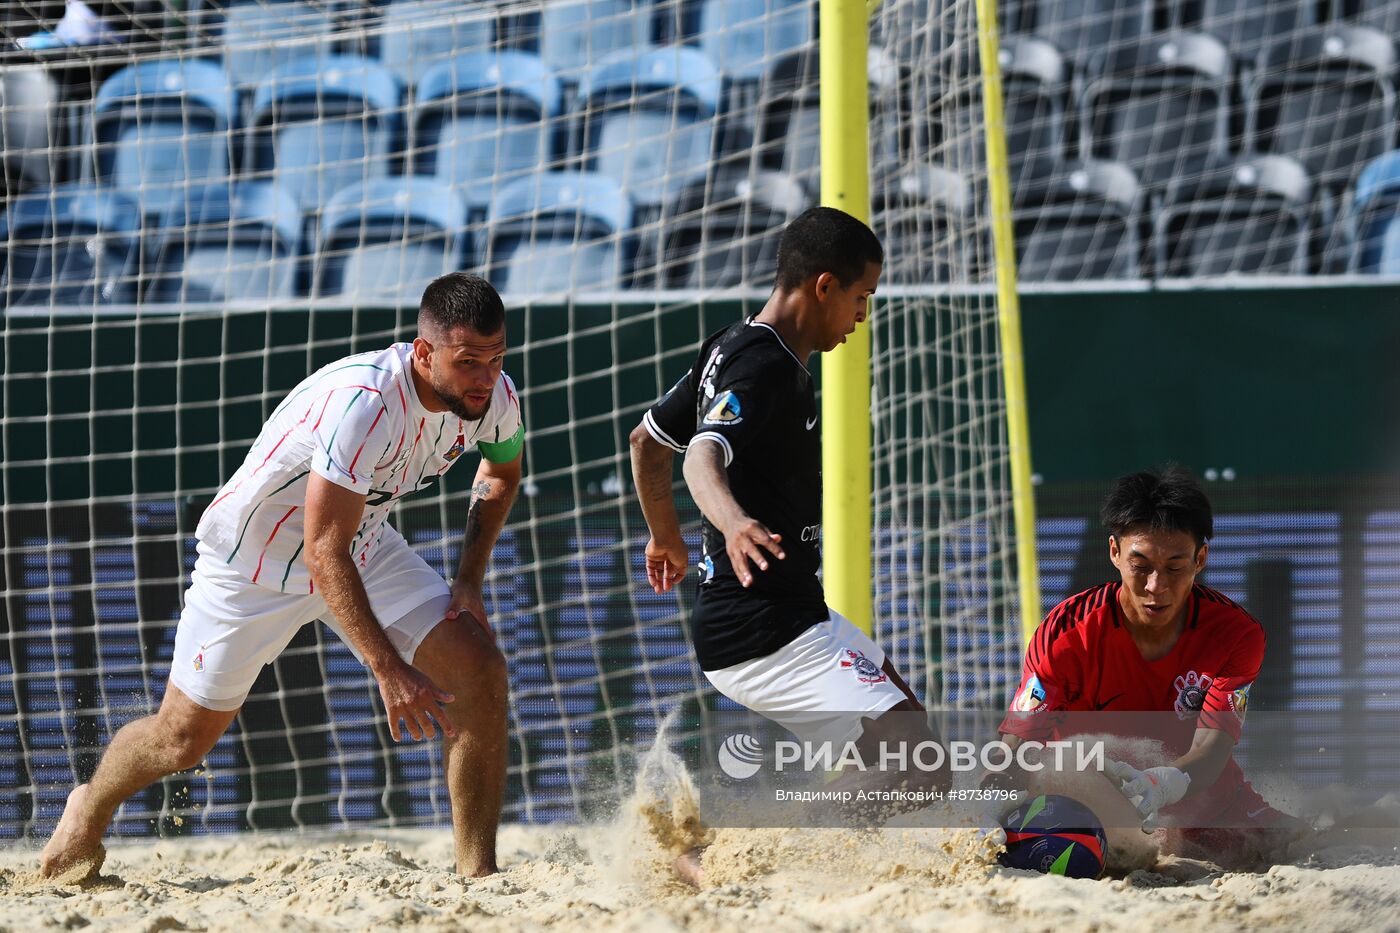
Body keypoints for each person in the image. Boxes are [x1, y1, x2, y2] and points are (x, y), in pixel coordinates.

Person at [41, 272, 522, 881]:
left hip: (361, 543)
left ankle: (476, 876)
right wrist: (389, 668)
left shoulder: (494, 396)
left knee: (481, 670)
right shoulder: (366, 403)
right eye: (469, 360)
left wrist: (470, 581)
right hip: (257, 562)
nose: (486, 375)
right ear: (424, 353)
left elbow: (502, 472)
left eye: (497, 356)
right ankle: (89, 805)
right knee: (181, 741)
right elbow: (322, 551)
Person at [629, 207, 947, 883]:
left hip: (792, 610)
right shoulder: (759, 366)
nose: (863, 315)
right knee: (906, 759)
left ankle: (763, 856)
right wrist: (731, 521)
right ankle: (733, 863)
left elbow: (646, 441)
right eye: (862, 298)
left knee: (921, 763)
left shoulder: (733, 343)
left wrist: (666, 534)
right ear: (824, 286)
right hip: (760, 626)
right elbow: (697, 460)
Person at [988, 465, 1302, 869]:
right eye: (1141, 566)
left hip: (1205, 803)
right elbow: (1016, 746)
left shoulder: (1236, 634)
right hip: (1084, 811)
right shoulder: (1067, 634)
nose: (1157, 585)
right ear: (1115, 552)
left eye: (1175, 566)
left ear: (1200, 558)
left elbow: (1211, 749)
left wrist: (1160, 783)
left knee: (1301, 845)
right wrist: (986, 807)